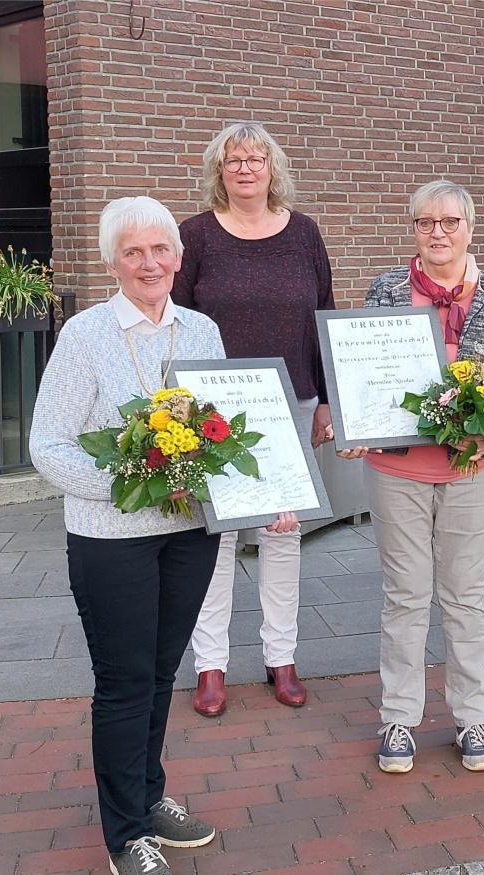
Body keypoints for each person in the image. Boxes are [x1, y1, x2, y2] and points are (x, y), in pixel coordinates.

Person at [30, 197, 222, 875]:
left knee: (163, 667)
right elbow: (45, 444)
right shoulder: (84, 336)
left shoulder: (201, 330)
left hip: (189, 533)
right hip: (112, 536)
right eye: (133, 252)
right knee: (123, 681)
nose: (149, 263)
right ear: (113, 262)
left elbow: (228, 427)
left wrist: (265, 495)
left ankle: (147, 794)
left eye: (160, 249)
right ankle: (125, 834)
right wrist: (131, 484)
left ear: (178, 256)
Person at [337, 180, 484, 774]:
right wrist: (355, 422)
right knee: (405, 594)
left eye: (449, 222)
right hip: (397, 468)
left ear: (471, 228)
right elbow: (361, 372)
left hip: (473, 468)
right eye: (426, 223)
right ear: (414, 229)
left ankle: (473, 719)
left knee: (466, 595)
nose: (438, 233)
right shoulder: (387, 289)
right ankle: (399, 717)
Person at [171, 122, 336, 716]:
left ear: (272, 167)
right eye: (232, 159)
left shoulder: (304, 234)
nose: (244, 168)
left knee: (281, 533)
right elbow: (179, 323)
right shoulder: (195, 236)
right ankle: (210, 665)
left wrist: (324, 401)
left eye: (255, 158)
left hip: (288, 403)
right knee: (216, 537)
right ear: (218, 170)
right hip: (213, 410)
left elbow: (323, 317)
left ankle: (281, 657)